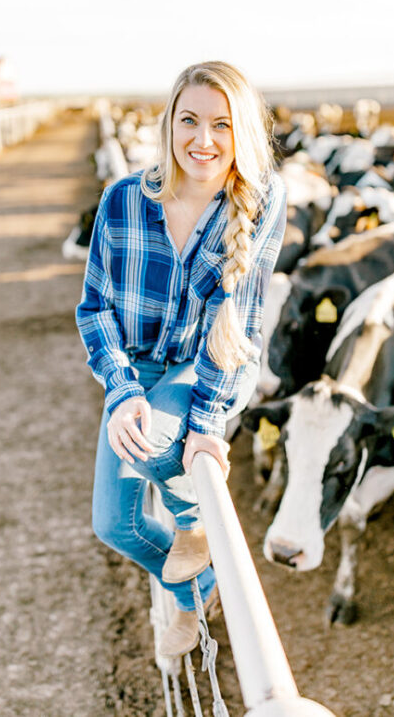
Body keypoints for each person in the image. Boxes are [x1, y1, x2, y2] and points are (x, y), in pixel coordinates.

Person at [76, 61, 287, 658]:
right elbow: (95, 309)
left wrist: (205, 426)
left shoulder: (262, 200)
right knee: (115, 525)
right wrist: (120, 390)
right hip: (139, 365)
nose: (203, 140)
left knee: (159, 444)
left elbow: (236, 323)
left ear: (241, 132)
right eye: (188, 120)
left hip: (212, 359)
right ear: (168, 124)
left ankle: (195, 525)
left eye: (221, 125)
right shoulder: (122, 201)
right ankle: (203, 585)